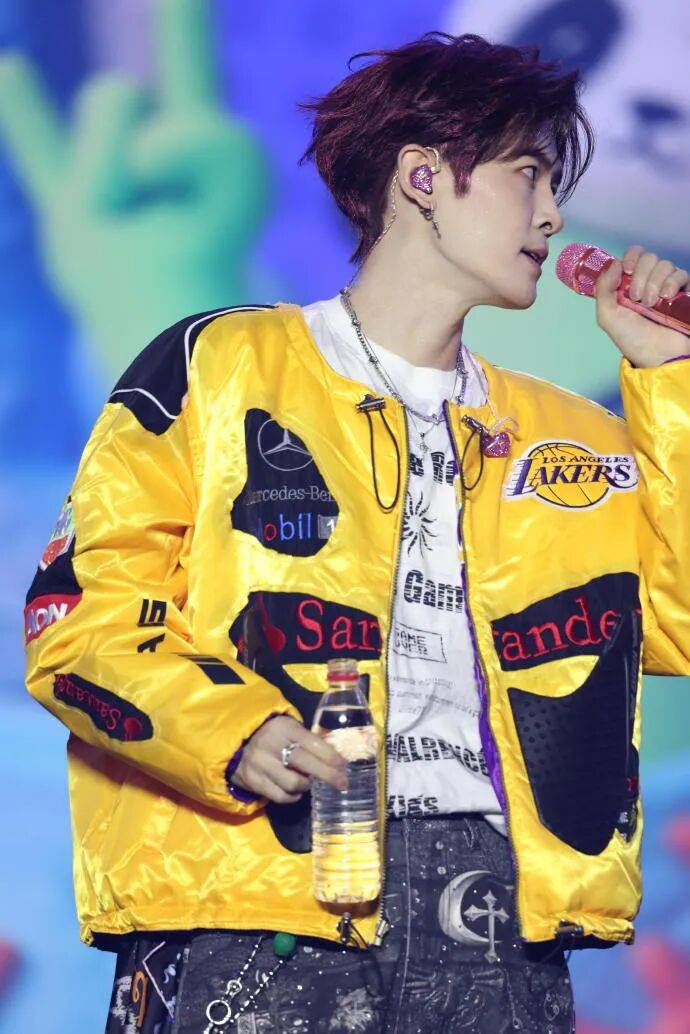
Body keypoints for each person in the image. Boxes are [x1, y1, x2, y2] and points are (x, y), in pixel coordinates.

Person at [23, 31, 690, 1034]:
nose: (554, 213)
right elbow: (75, 620)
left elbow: (674, 626)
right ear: (423, 176)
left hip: (502, 917)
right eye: (528, 173)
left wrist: (669, 378)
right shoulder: (220, 365)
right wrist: (232, 730)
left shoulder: (575, 435)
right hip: (256, 898)